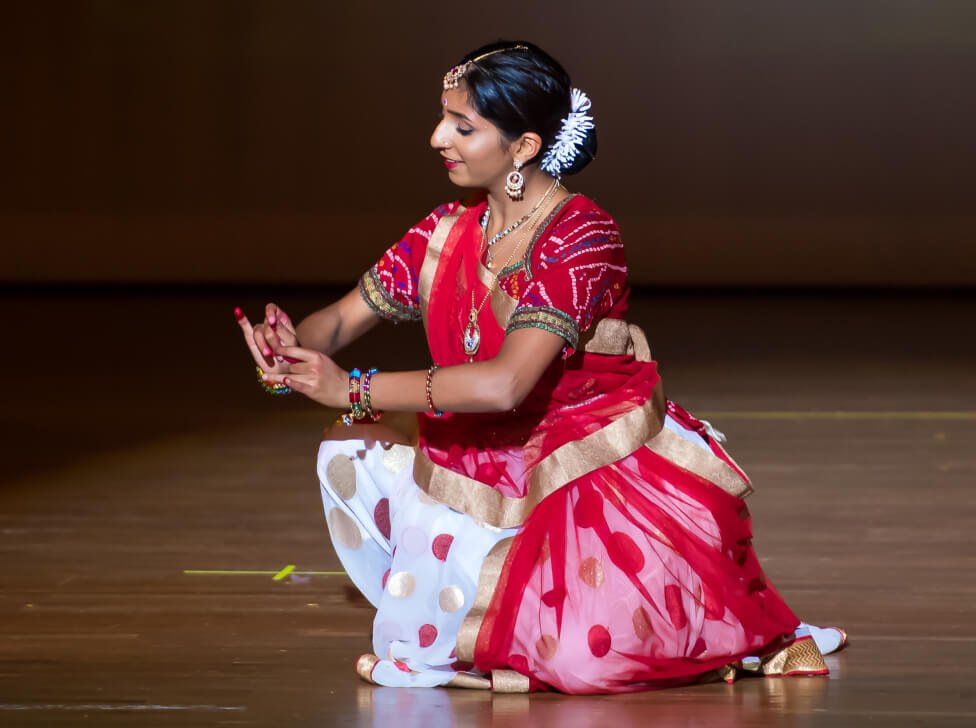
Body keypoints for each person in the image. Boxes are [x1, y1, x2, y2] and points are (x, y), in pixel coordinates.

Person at [235, 41, 846, 694]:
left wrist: (348, 386)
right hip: (476, 456)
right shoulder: (444, 233)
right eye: (443, 117)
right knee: (348, 446)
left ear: (524, 147)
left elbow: (504, 385)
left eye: (462, 127)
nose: (437, 137)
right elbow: (338, 321)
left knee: (583, 659)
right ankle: (472, 603)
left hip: (580, 463)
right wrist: (290, 348)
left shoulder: (580, 237)